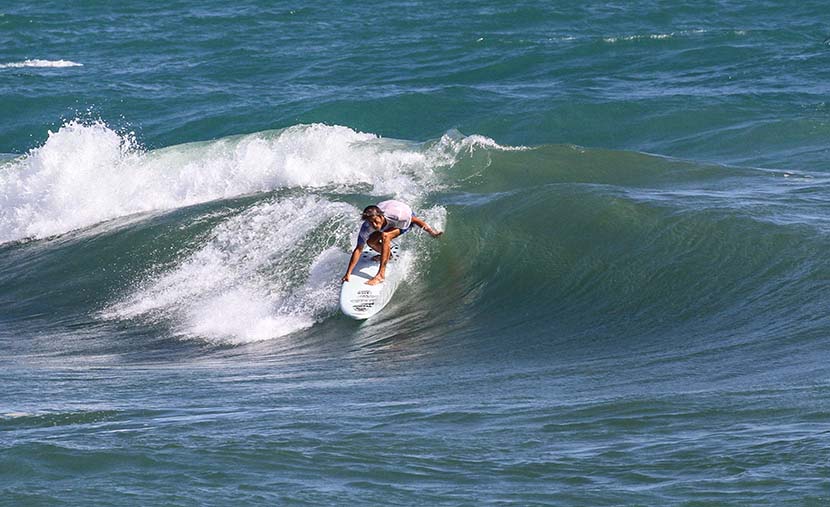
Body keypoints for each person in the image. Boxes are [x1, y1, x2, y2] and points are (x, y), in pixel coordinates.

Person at [342, 200, 442, 286]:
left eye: (375, 221)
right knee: (370, 242)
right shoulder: (366, 227)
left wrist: (432, 232)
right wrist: (348, 273)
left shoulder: (400, 217)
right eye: (370, 222)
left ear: (381, 216)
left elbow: (415, 220)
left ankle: (380, 275)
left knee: (385, 236)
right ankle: (388, 256)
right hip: (389, 207)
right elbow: (358, 249)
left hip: (405, 218)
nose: (374, 224)